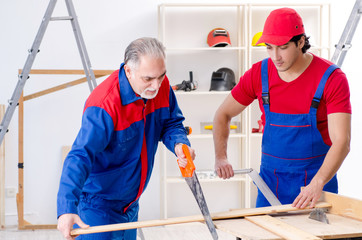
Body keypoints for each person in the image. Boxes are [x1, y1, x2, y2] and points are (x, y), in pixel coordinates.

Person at [57, 37, 194, 240]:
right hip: (98, 205)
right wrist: (67, 208)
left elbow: (171, 123)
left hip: (130, 203)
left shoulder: (160, 85)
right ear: (128, 71)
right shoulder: (104, 105)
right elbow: (80, 155)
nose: (156, 86)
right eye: (148, 79)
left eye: (161, 76)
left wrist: (179, 144)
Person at [213, 8, 351, 209]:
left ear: (301, 42)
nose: (275, 56)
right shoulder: (258, 74)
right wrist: (221, 156)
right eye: (269, 47)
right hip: (270, 185)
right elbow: (222, 114)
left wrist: (318, 182)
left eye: (283, 47)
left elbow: (342, 141)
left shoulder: (332, 78)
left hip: (316, 186)